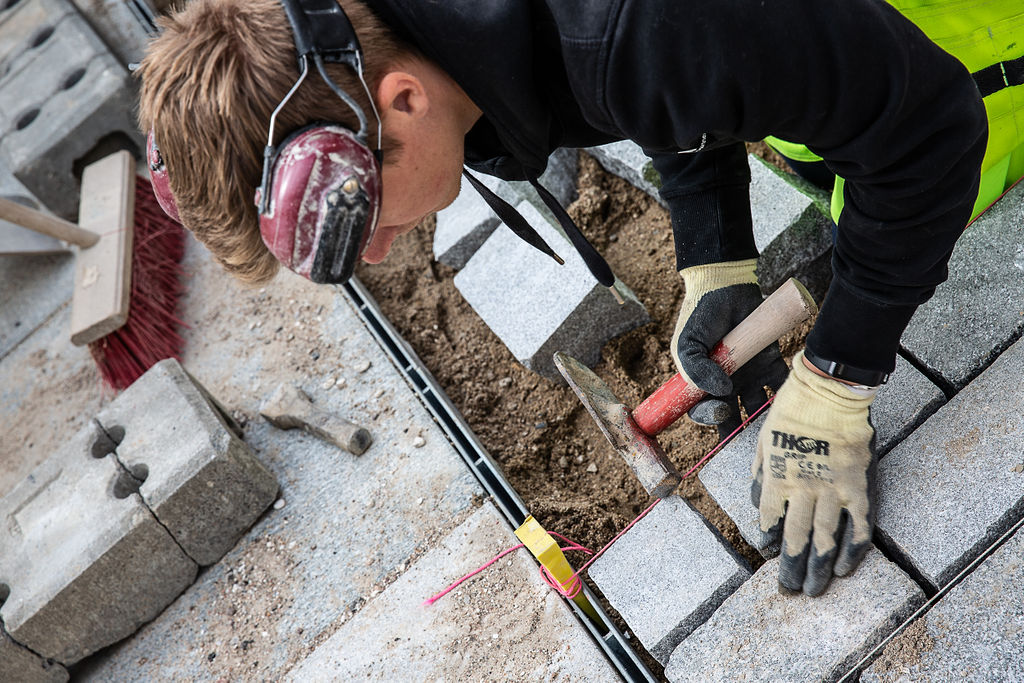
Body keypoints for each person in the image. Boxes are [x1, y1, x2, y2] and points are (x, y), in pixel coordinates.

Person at [139, 0, 1020, 596]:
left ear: (402, 102)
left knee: (925, 166)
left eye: (357, 221)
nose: (376, 250)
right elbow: (651, 79)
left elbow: (933, 133)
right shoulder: (442, 36)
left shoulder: (636, 28)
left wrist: (838, 374)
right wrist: (713, 255)